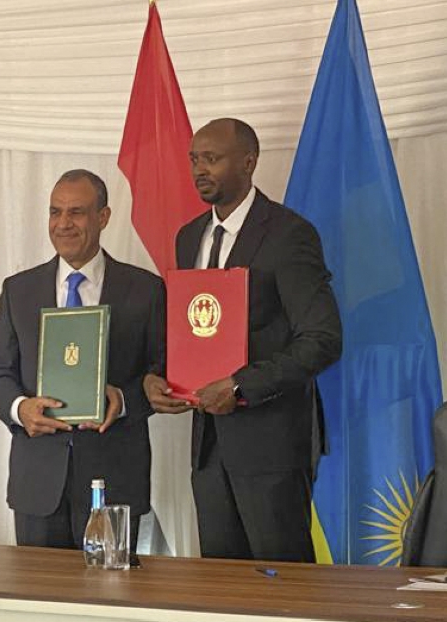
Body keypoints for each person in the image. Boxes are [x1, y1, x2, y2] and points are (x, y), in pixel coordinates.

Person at [144, 118, 342, 562]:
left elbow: (323, 339)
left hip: (272, 448)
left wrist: (240, 387)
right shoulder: (189, 237)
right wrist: (159, 376)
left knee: (283, 593)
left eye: (211, 159)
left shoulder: (290, 235)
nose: (199, 169)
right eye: (195, 159)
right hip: (208, 449)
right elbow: (193, 328)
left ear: (249, 163)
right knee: (221, 591)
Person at [0, 169, 165, 549]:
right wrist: (21, 409)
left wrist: (127, 399)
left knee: (109, 600)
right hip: (38, 482)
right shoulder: (19, 290)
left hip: (115, 478)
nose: (63, 224)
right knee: (41, 604)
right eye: (55, 212)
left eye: (76, 213)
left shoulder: (146, 289)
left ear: (103, 217)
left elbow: (163, 371)